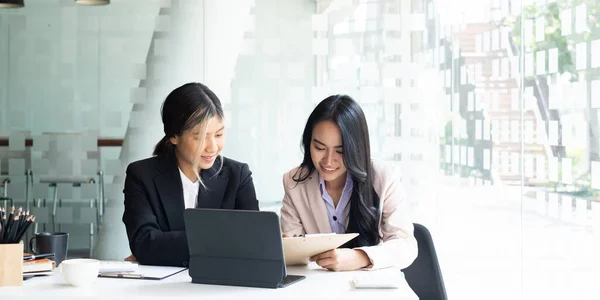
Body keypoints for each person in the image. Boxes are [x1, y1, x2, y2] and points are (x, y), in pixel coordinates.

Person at [122, 82, 259, 267]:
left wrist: (165, 247)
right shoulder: (141, 176)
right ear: (173, 136)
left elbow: (254, 242)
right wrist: (224, 240)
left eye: (218, 135)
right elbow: (144, 244)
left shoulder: (238, 176)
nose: (212, 147)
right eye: (200, 137)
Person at [280, 95, 418, 271]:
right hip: (317, 287)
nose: (328, 161)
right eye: (320, 148)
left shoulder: (384, 177)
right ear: (308, 144)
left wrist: (360, 257)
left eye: (341, 151)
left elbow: (406, 245)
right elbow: (295, 257)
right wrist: (288, 248)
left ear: (356, 148)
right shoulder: (294, 183)